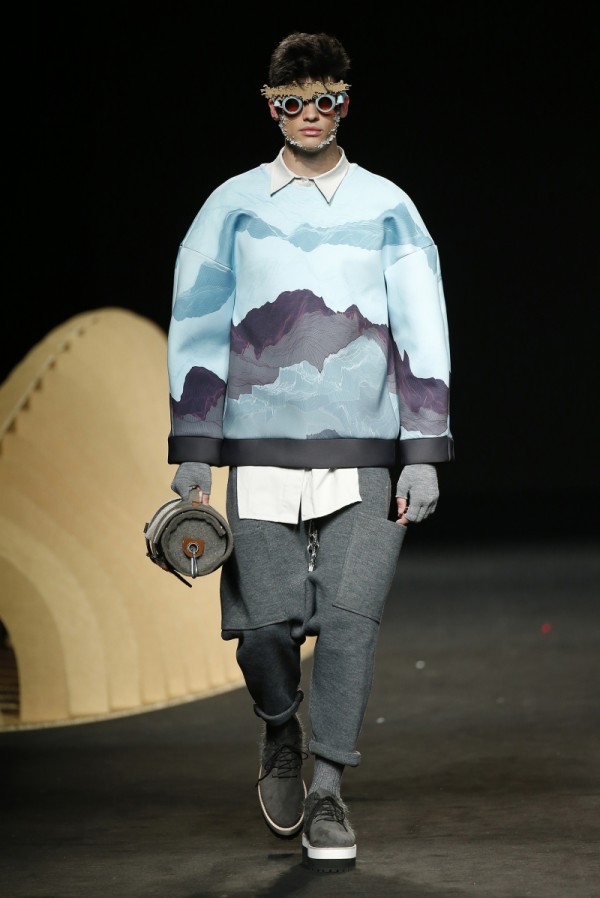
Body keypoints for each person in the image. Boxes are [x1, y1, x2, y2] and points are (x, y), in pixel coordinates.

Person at [166, 31, 453, 874]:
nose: (309, 116)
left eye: (324, 100)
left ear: (344, 104)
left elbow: (422, 323)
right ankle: (279, 727)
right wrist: (196, 447)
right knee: (266, 630)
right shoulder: (232, 206)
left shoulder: (388, 206)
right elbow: (198, 319)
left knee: (351, 625)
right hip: (258, 450)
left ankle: (328, 787)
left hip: (366, 450)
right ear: (271, 107)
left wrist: (423, 448)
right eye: (292, 102)